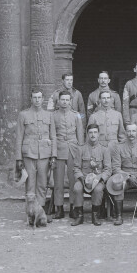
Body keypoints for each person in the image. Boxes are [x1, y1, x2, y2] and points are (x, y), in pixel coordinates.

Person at [15, 89, 57, 226]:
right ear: (31, 99)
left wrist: (53, 156)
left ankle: (41, 213)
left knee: (42, 184)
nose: (37, 100)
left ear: (43, 99)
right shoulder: (23, 115)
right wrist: (19, 158)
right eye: (34, 97)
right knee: (30, 184)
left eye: (39, 97)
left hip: (44, 154)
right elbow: (19, 137)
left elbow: (53, 136)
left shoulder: (49, 115)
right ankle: (30, 213)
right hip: (29, 153)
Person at [70, 123, 112, 226]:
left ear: (98, 134)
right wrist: (81, 178)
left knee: (98, 190)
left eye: (95, 132)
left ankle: (95, 215)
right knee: (77, 188)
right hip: (84, 179)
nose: (93, 135)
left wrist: (100, 178)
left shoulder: (104, 149)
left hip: (98, 179)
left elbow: (108, 169)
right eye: (90, 133)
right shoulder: (81, 149)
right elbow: (76, 167)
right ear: (87, 134)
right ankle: (79, 216)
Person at [52, 90, 84, 219]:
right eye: (62, 100)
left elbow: (80, 134)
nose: (65, 102)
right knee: (58, 182)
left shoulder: (76, 115)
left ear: (70, 101)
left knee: (73, 180)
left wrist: (80, 151)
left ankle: (73, 207)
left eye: (67, 100)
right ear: (58, 101)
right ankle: (59, 208)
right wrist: (53, 154)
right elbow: (52, 135)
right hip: (59, 149)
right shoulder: (53, 116)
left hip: (73, 149)